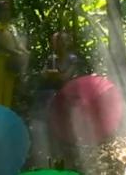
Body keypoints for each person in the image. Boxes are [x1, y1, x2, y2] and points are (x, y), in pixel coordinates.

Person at [31, 30, 80, 168]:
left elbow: (65, 77)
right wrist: (53, 75)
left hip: (67, 96)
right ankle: (53, 158)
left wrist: (54, 75)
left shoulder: (72, 59)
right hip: (51, 97)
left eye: (63, 42)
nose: (61, 45)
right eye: (58, 42)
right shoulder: (51, 59)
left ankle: (67, 159)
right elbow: (43, 75)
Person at [0, 0, 28, 107]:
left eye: (8, 10)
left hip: (10, 63)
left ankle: (4, 117)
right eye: (4, 10)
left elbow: (17, 43)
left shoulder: (12, 28)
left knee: (7, 92)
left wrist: (25, 52)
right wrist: (16, 53)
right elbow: (0, 45)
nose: (7, 13)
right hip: (0, 61)